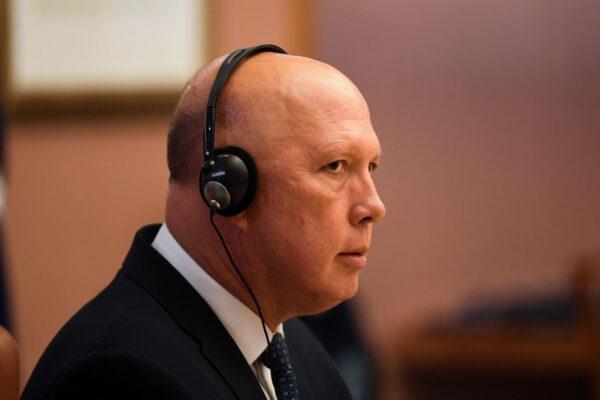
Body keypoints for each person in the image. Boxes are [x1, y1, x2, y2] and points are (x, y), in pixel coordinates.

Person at [21, 45, 386, 400]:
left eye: (370, 167)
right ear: (229, 189)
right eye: (335, 166)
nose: (373, 206)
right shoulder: (118, 375)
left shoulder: (300, 351)